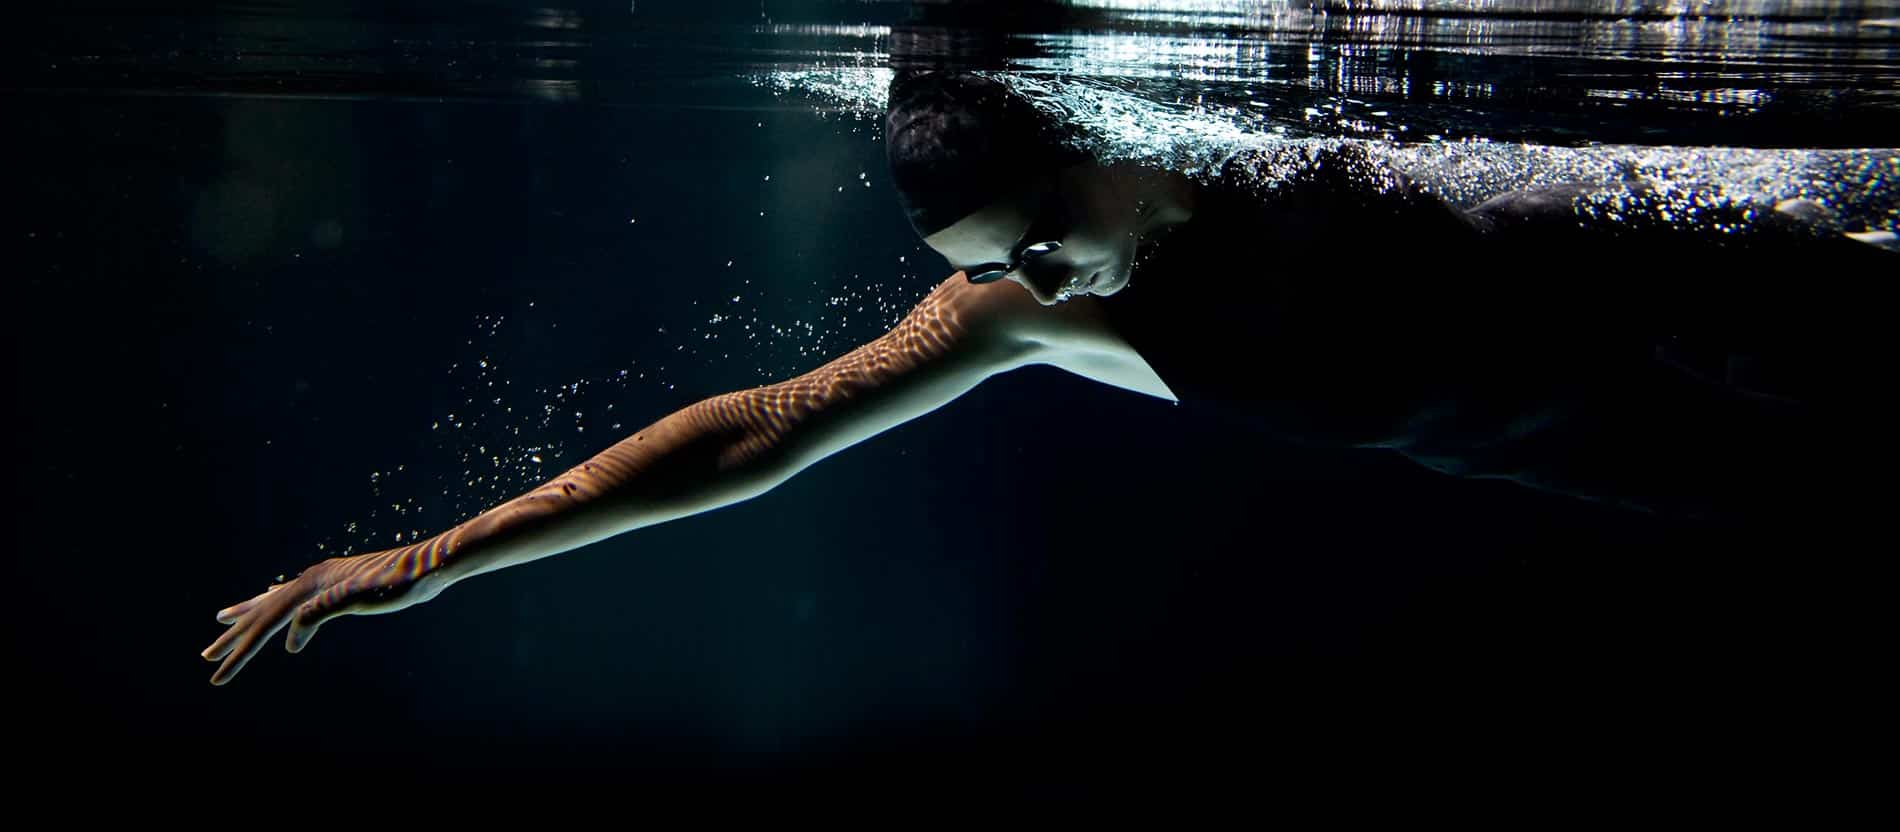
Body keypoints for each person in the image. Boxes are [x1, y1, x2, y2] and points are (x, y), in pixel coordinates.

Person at [202, 71, 1893, 686]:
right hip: (1682, 483)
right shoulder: (1031, 309)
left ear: (1130, 149)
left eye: (1048, 230)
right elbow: (761, 433)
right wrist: (436, 558)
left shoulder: (1371, 182)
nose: (1040, 278)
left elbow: (1730, 233)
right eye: (997, 262)